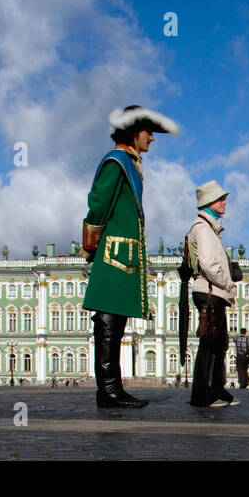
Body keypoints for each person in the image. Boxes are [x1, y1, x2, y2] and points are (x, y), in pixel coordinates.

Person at [82, 105, 178, 408]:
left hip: (125, 252)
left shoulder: (130, 162)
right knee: (109, 317)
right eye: (148, 131)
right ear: (133, 132)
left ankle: (113, 388)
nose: (152, 137)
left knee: (117, 317)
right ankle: (108, 389)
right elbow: (98, 203)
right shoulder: (116, 162)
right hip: (114, 252)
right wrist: (91, 244)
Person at [187, 181, 238, 407]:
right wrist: (228, 284)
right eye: (220, 199)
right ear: (208, 203)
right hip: (210, 292)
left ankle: (217, 389)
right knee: (208, 345)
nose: (224, 202)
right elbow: (208, 264)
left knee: (219, 345)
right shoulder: (203, 228)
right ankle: (200, 395)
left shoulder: (210, 228)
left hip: (214, 292)